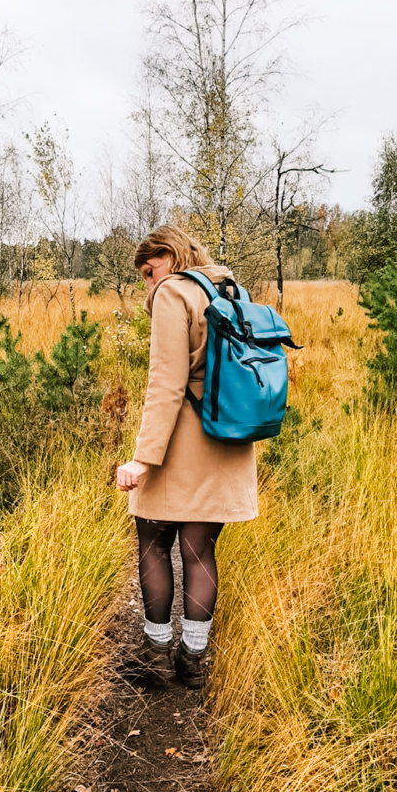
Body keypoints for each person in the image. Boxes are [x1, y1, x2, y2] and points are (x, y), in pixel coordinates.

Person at [116, 224, 258, 689]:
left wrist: (142, 459)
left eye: (149, 270)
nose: (148, 283)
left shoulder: (173, 294)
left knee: (154, 544)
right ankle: (193, 662)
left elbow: (166, 384)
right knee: (200, 553)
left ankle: (156, 657)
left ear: (169, 256)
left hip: (180, 441)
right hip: (227, 438)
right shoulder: (231, 287)